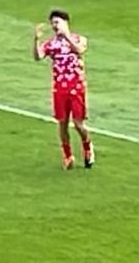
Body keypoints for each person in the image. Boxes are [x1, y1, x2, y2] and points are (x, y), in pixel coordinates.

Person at [34, 9, 92, 170]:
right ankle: (68, 156)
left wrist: (66, 36)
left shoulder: (79, 39)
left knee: (79, 124)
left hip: (76, 87)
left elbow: (79, 50)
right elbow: (38, 56)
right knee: (62, 124)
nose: (54, 25)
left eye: (57, 22)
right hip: (59, 88)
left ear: (66, 23)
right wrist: (36, 40)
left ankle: (87, 146)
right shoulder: (51, 44)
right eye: (52, 23)